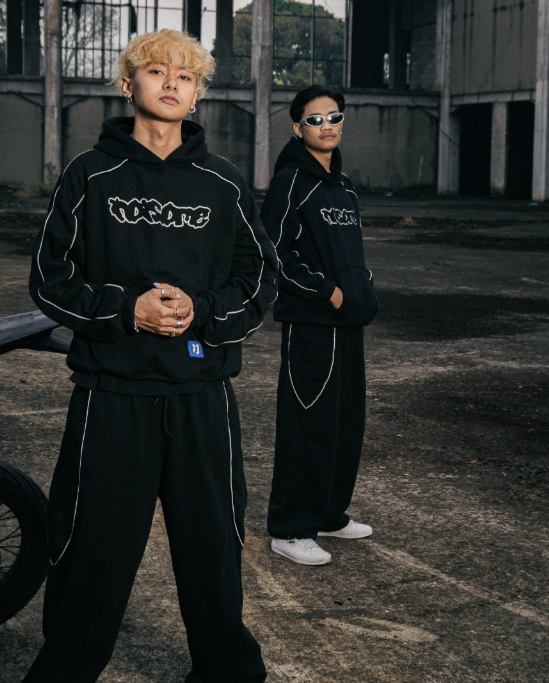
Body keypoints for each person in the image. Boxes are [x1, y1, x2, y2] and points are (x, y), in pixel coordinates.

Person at [22, 28, 277, 683]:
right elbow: (50, 279)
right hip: (112, 396)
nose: (171, 83)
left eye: (185, 76)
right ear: (126, 83)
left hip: (201, 397)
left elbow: (258, 278)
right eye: (157, 70)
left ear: (196, 95)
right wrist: (125, 310)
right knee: (91, 552)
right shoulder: (90, 175)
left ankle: (226, 673)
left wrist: (204, 311)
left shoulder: (224, 183)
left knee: (213, 549)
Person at [261, 85, 379, 566]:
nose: (326, 126)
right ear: (298, 128)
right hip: (312, 324)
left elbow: (351, 254)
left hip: (347, 324)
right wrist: (328, 292)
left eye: (334, 117)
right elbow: (274, 252)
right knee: (308, 424)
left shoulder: (343, 186)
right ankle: (290, 528)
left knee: (345, 423)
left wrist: (361, 290)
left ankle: (329, 514)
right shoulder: (291, 181)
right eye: (315, 119)